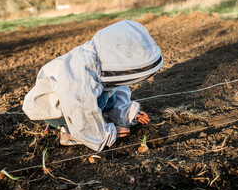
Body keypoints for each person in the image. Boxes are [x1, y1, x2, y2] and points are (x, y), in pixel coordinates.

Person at [22, 20, 163, 152]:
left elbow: (117, 86)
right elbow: (78, 108)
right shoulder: (80, 78)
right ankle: (68, 133)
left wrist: (128, 113)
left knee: (107, 97)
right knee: (92, 103)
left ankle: (90, 119)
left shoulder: (106, 62)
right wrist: (105, 134)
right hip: (56, 107)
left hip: (75, 98)